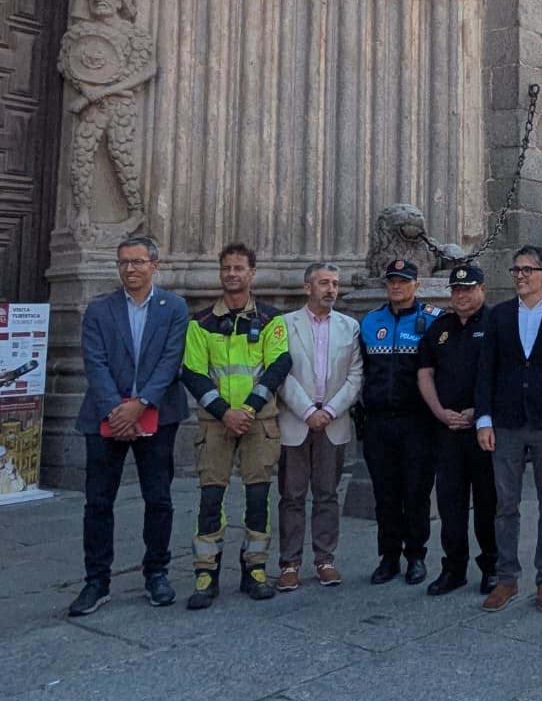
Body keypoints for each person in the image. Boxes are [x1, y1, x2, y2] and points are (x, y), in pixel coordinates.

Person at [69, 237, 189, 616]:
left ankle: (157, 572)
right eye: (123, 262)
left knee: (159, 499)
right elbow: (95, 362)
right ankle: (96, 581)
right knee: (98, 502)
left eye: (137, 262)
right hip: (106, 416)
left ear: (155, 265)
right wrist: (115, 410)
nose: (129, 269)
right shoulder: (99, 309)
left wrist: (140, 405)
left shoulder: (174, 307)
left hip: (158, 414)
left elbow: (171, 361)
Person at [181, 242, 292, 608]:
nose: (232, 274)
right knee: (211, 497)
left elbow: (278, 366)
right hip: (216, 423)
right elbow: (193, 373)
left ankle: (255, 569)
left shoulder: (271, 319)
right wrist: (224, 412)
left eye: (239, 268)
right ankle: (205, 572)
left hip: (258, 422)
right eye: (226, 268)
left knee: (258, 496)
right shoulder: (200, 323)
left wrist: (246, 409)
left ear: (252, 273)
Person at [475, 246, 542, 613]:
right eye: (516, 269)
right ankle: (506, 578)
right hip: (505, 424)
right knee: (506, 505)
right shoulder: (499, 316)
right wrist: (483, 420)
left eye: (528, 270)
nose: (520, 276)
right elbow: (485, 370)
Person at [276, 262, 363, 591]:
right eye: (324, 283)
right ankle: (289, 562)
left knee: (327, 494)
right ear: (307, 287)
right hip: (295, 420)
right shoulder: (284, 324)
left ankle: (325, 559)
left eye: (335, 284)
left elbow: (355, 375)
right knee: (292, 495)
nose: (331, 289)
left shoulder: (349, 327)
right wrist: (307, 410)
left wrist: (328, 410)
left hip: (333, 420)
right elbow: (280, 371)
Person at [360, 259, 445, 586]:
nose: (397, 286)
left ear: (416, 285)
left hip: (418, 423)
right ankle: (389, 556)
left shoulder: (434, 321)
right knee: (386, 493)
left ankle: (416, 556)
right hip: (379, 423)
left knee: (417, 492)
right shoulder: (370, 322)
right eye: (392, 281)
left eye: (404, 281)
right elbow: (362, 369)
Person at [417, 264, 498, 596]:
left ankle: (492, 567)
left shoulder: (497, 324)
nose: (461, 295)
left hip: (484, 430)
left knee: (488, 504)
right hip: (447, 430)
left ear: (482, 289)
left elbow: (505, 373)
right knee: (450, 503)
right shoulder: (440, 327)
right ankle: (454, 568)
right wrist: (439, 412)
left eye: (468, 289)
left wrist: (479, 411)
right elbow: (425, 372)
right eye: (456, 290)